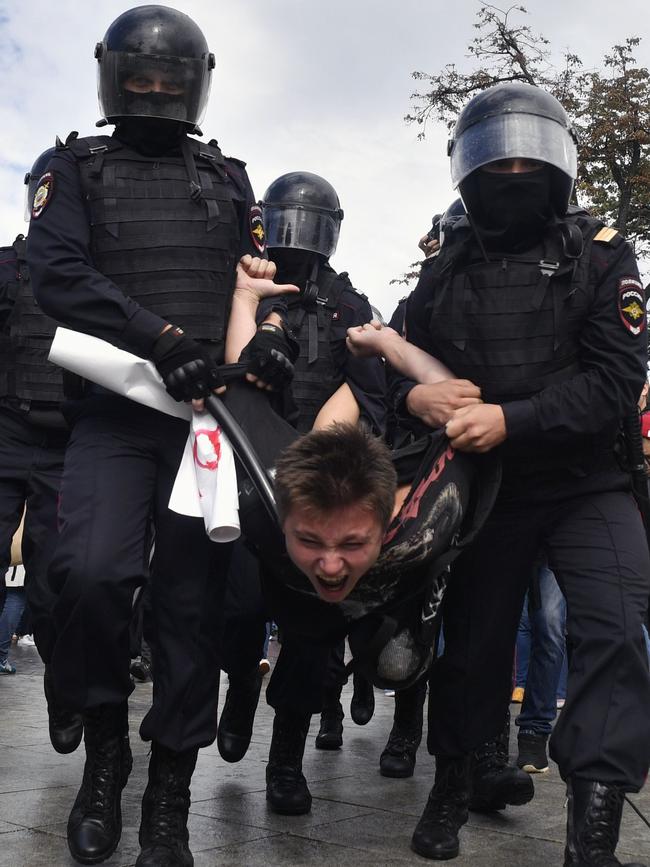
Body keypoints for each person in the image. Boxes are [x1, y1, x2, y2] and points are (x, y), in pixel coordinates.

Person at [27, 7, 297, 867]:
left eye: (167, 81)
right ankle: (106, 750)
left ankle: (169, 798)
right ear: (110, 76)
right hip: (114, 412)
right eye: (136, 78)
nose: (151, 92)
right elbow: (58, 276)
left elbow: (255, 284)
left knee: (191, 612)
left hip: (202, 425)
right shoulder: (70, 166)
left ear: (197, 84)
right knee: (90, 573)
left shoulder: (229, 178)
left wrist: (267, 346)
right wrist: (161, 339)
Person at [377, 81, 650, 864]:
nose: (516, 167)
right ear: (469, 167)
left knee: (611, 626)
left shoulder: (602, 257)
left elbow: (611, 383)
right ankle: (453, 781)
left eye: (532, 153)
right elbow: (394, 369)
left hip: (585, 481)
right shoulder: (446, 267)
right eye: (501, 155)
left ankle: (594, 821)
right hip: (485, 487)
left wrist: (512, 418)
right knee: (474, 646)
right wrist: (416, 392)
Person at [217, 171, 386, 816]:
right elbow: (227, 374)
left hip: (318, 480)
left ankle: (285, 758)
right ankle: (237, 688)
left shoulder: (348, 302)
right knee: (236, 609)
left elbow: (371, 380)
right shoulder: (247, 282)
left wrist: (331, 433)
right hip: (248, 471)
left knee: (312, 632)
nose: (299, 240)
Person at [0, 152, 83, 753]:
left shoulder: (93, 272)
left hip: (70, 441)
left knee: (57, 577)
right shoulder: (8, 266)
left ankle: (62, 683)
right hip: (5, 431)